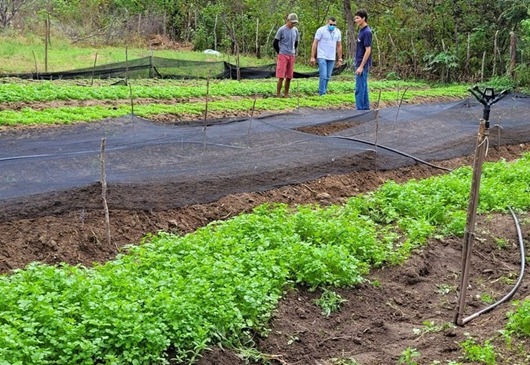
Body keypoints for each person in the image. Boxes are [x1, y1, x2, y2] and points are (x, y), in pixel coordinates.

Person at [310, 17, 343, 96]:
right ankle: (322, 93)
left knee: (328, 76)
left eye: (334, 25)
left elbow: (339, 46)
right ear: (327, 23)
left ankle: (324, 90)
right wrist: (312, 56)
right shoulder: (321, 30)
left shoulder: (337, 32)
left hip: (331, 57)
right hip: (322, 55)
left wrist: (340, 58)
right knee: (323, 75)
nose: (332, 26)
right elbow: (315, 43)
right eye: (331, 24)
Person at [273, 13, 300, 98]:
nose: (293, 24)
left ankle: (286, 94)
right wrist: (280, 52)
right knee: (281, 76)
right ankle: (278, 94)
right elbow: (275, 43)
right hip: (283, 54)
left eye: (294, 23)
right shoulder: (282, 30)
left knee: (289, 76)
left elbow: (296, 42)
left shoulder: (295, 30)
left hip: (291, 55)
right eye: (292, 22)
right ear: (287, 21)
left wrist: (293, 51)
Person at [354, 9, 372, 110]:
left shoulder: (367, 32)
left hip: (362, 64)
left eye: (357, 18)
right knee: (363, 88)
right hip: (358, 61)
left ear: (363, 18)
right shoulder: (361, 31)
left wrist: (361, 66)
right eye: (355, 18)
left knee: (359, 88)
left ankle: (359, 110)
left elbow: (368, 50)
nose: (355, 20)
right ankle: (365, 108)